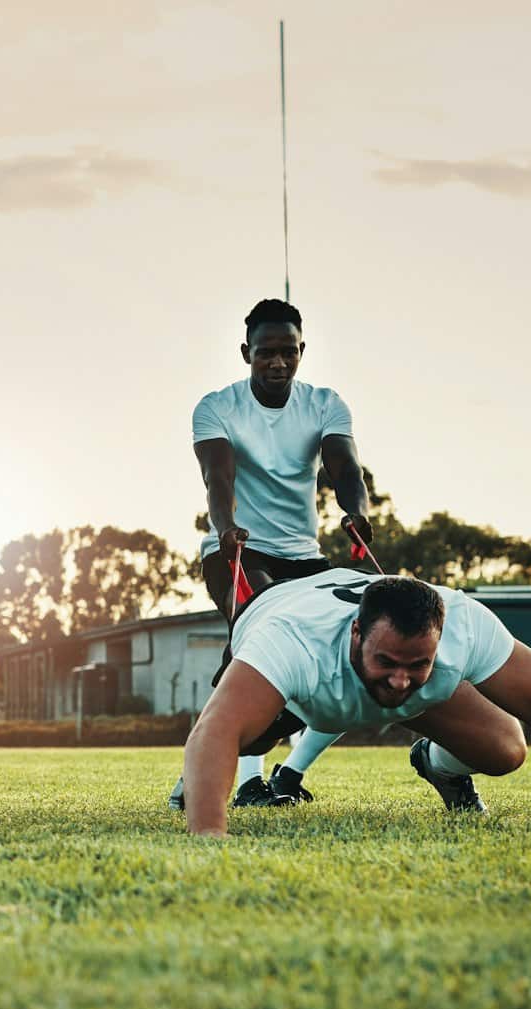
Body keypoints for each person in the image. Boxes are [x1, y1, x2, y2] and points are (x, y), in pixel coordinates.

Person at [180, 572, 531, 836]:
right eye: (387, 661)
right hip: (285, 623)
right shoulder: (291, 641)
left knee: (505, 749)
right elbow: (212, 731)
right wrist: (209, 837)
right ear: (357, 633)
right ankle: (194, 782)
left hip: (348, 634)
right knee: (245, 740)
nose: (401, 679)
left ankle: (437, 765)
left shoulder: (466, 625)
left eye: (419, 663)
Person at [172, 298, 374, 811]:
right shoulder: (216, 407)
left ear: (303, 351)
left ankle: (286, 771)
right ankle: (244, 784)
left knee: (348, 657)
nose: (278, 363)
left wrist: (355, 511)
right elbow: (218, 476)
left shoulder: (325, 404)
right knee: (261, 645)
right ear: (246, 352)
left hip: (304, 558)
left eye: (289, 352)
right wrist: (226, 527)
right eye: (266, 353)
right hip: (237, 551)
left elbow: (345, 469)